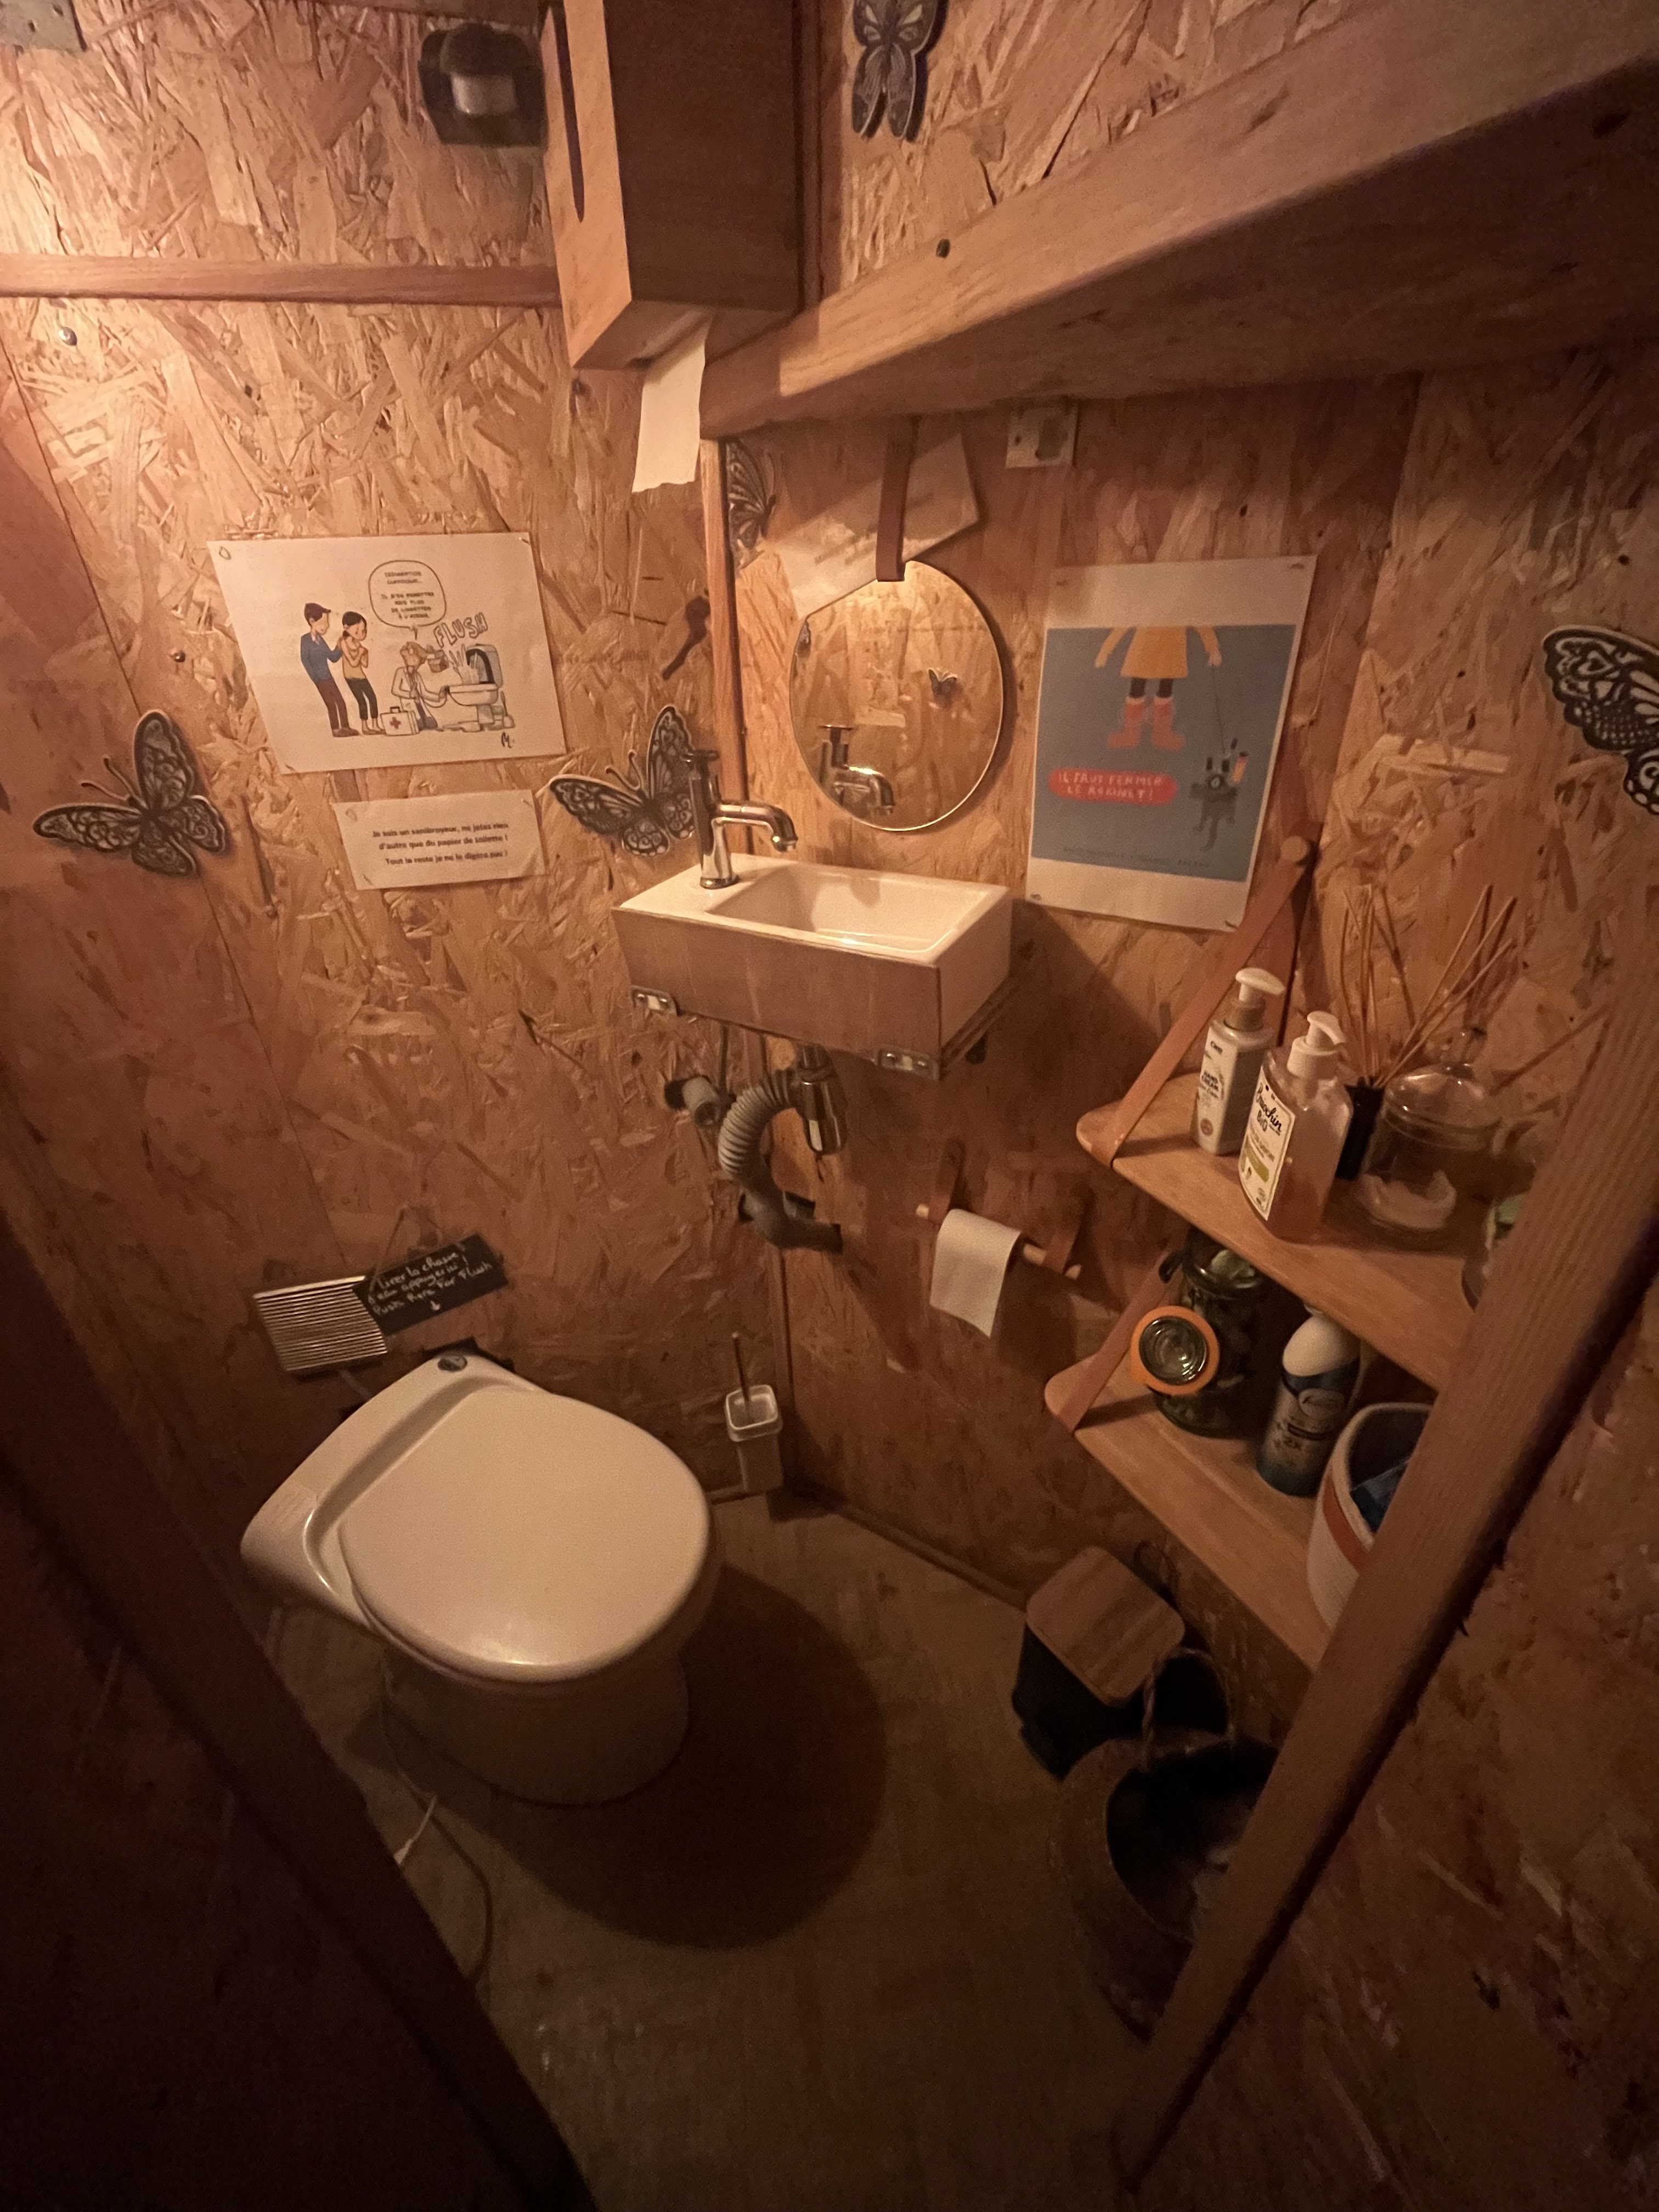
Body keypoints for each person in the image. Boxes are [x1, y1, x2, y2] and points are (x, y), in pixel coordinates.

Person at [1094, 625, 1222, 752]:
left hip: (1169, 651)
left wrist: (1213, 648)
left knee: (1164, 689)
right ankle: (1132, 734)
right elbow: (1123, 625)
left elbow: (1201, 624)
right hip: (1146, 648)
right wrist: (1105, 651)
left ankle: (1161, 734)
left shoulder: (1183, 612)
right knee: (1139, 687)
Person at [300, 603, 351, 736]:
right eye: (323, 623)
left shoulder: (320, 640)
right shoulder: (305, 640)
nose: (327, 626)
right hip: (320, 680)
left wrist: (340, 647)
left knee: (340, 701)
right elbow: (305, 661)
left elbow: (332, 657)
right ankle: (336, 730)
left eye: (327, 623)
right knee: (331, 705)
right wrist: (315, 679)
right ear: (312, 621)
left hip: (328, 677)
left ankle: (345, 727)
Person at [337, 611, 380, 732]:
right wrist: (361, 653)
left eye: (363, 631)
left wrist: (365, 654)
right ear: (346, 628)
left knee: (373, 698)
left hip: (360, 675)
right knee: (362, 701)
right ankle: (365, 727)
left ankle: (375, 725)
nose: (361, 635)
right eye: (357, 631)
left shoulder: (358, 644)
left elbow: (365, 665)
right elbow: (353, 663)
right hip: (351, 676)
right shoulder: (343, 642)